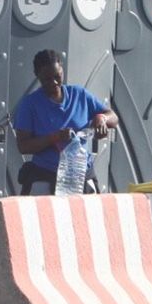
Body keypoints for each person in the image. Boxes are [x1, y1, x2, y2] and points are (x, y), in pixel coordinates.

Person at [12, 49, 118, 195]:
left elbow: (113, 116)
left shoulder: (79, 95)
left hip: (82, 176)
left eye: (57, 76)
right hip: (46, 177)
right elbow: (23, 146)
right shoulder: (30, 105)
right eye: (47, 79)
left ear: (62, 69)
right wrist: (54, 137)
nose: (54, 83)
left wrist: (102, 119)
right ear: (38, 76)